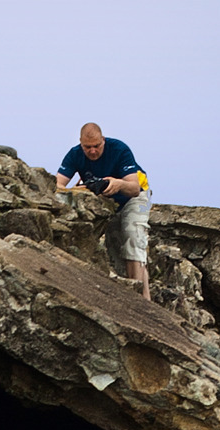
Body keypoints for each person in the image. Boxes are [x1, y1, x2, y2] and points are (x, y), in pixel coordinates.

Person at [56, 123, 152, 300]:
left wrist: (118, 184)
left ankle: (141, 301)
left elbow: (134, 188)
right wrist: (78, 190)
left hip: (135, 197)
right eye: (87, 147)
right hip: (107, 203)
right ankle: (137, 296)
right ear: (80, 143)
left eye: (96, 146)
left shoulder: (119, 149)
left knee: (133, 235)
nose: (92, 151)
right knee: (114, 249)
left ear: (103, 140)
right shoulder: (74, 154)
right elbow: (57, 186)